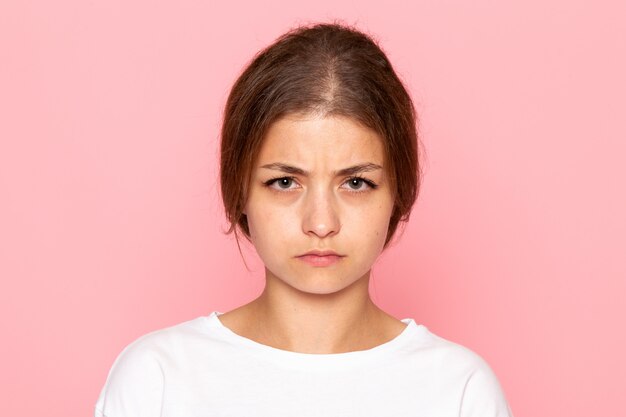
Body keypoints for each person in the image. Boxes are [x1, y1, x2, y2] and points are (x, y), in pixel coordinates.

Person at [95, 22, 514, 417]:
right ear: (240, 189)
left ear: (398, 193)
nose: (320, 222)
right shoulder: (158, 378)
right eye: (283, 182)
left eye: (355, 183)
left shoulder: (458, 390)